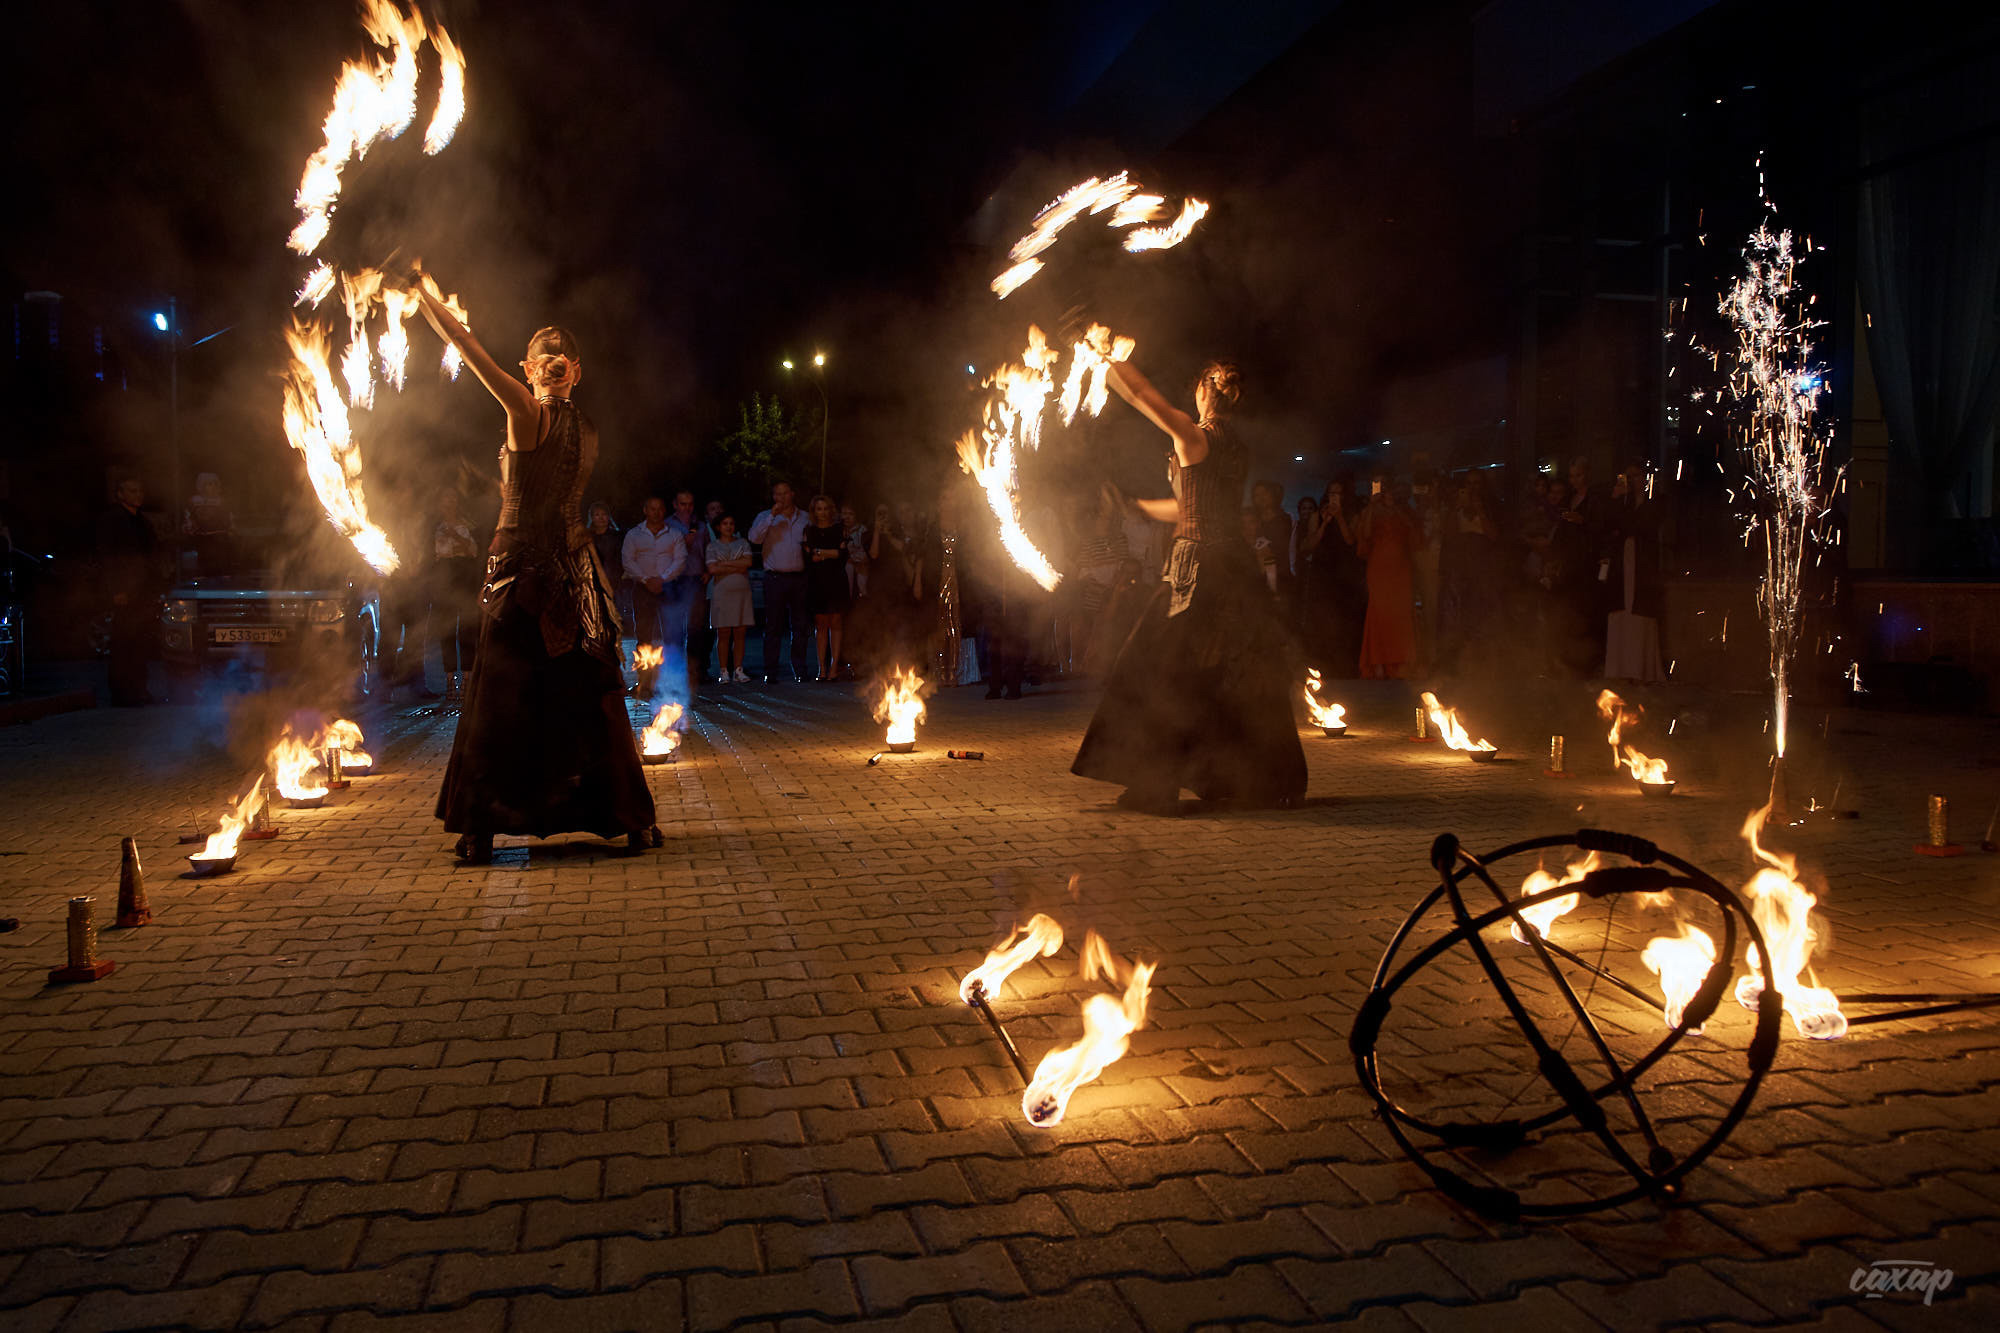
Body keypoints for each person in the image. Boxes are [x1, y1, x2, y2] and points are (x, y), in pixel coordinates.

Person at [411, 280, 660, 863]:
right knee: (558, 696)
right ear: (529, 368)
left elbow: (470, 351)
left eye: (558, 361)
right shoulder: (586, 427)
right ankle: (624, 819)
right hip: (556, 572)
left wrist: (424, 299)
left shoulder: (529, 410)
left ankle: (488, 826)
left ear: (574, 370)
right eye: (539, 360)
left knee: (517, 697)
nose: (549, 368)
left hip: (536, 573)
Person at [1073, 360, 1307, 811]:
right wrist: (1140, 505)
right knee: (1235, 675)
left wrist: (1104, 356)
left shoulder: (1193, 434)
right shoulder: (1233, 446)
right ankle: (1249, 780)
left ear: (1206, 390)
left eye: (1198, 383)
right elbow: (1188, 508)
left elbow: (1142, 395)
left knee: (1154, 668)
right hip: (1235, 571)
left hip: (1198, 571)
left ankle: (1153, 783)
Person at [96, 477, 161, 706]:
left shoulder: (143, 522)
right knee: (123, 642)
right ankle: (122, 692)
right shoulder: (112, 521)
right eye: (132, 491)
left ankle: (139, 689)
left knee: (140, 642)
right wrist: (116, 589)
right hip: (125, 592)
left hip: (143, 592)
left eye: (140, 490)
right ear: (120, 494)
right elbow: (107, 558)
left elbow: (151, 556)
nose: (137, 495)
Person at [1355, 472, 1418, 679]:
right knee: (1379, 612)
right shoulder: (1370, 510)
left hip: (1400, 568)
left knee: (1400, 613)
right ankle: (1378, 661)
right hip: (1379, 567)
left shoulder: (1403, 510)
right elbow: (1364, 535)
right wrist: (1373, 506)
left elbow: (1414, 534)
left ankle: (1400, 662)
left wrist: (1394, 508)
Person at [621, 495, 684, 699]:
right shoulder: (634, 534)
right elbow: (628, 560)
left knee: (672, 636)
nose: (656, 512)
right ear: (645, 510)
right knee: (644, 636)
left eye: (659, 509)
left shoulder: (674, 534)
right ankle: (644, 683)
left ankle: (672, 683)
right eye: (652, 509)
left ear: (664, 511)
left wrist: (663, 579)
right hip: (643, 589)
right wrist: (647, 579)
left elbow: (680, 559)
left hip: (668, 588)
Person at [748, 481, 810, 682]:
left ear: (792, 494)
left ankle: (800, 670)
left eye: (784, 493)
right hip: (774, 577)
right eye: (777, 494)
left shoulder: (805, 518)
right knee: (773, 626)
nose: (781, 498)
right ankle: (770, 671)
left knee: (800, 626)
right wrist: (771, 516)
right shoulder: (765, 517)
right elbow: (754, 538)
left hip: (799, 577)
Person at [431, 488, 482, 699]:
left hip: (464, 577)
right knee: (447, 630)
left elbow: (473, 551)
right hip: (444, 578)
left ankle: (468, 680)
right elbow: (435, 555)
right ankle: (451, 682)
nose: (449, 504)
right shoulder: (436, 527)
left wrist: (455, 538)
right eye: (445, 500)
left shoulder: (467, 525)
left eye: (452, 499)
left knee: (467, 629)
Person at [803, 495, 848, 680]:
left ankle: (833, 667)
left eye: (825, 508)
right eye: (818, 509)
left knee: (836, 623)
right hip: (817, 582)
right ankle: (821, 668)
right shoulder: (810, 531)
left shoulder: (839, 530)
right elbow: (809, 557)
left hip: (836, 580)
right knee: (821, 624)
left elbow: (842, 554)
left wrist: (822, 552)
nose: (822, 512)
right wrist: (831, 553)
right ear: (814, 511)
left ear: (831, 510)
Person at [705, 513, 754, 681]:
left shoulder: (742, 543)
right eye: (725, 523)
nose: (728, 527)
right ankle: (724, 671)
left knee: (740, 632)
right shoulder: (712, 546)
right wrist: (736, 565)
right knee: (724, 632)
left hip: (741, 593)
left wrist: (724, 564)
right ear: (718, 527)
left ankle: (738, 670)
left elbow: (747, 563)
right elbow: (712, 569)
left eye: (731, 523)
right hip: (722, 593)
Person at [667, 491, 706, 690]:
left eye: (690, 504)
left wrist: (707, 571)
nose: (686, 508)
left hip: (696, 579)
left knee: (696, 628)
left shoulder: (700, 525)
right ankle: (675, 674)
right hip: (676, 580)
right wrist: (684, 542)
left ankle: (694, 673)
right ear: (675, 504)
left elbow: (707, 551)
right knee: (674, 629)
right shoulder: (668, 525)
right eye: (682, 504)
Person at [183, 472, 233, 575]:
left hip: (219, 538)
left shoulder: (222, 502)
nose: (213, 487)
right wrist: (190, 528)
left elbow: (230, 519)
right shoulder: (194, 501)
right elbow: (188, 517)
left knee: (221, 564)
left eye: (215, 484)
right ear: (202, 486)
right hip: (201, 539)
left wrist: (230, 529)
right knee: (203, 564)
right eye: (209, 484)